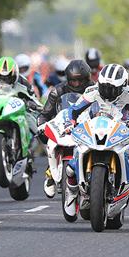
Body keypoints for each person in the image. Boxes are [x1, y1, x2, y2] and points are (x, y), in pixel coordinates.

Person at [64, 64, 129, 201]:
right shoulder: (92, 91)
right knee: (70, 169)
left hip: (120, 130)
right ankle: (71, 192)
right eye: (104, 86)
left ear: (123, 86)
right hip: (93, 128)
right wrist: (70, 122)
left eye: (112, 88)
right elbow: (73, 110)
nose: (106, 91)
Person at [37, 60, 94, 198]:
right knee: (48, 140)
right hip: (62, 125)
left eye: (80, 81)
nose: (77, 84)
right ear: (68, 79)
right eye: (73, 81)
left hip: (87, 125)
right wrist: (42, 125)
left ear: (87, 79)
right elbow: (45, 113)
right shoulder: (57, 91)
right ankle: (50, 172)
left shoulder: (94, 90)